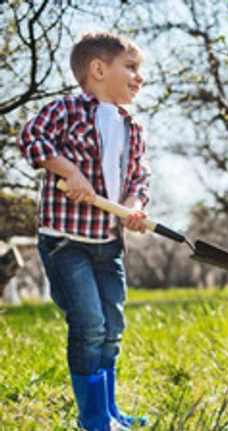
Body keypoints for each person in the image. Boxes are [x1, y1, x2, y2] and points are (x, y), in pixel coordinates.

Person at [17, 32, 151, 430]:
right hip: (66, 240)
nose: (138, 78)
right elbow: (30, 137)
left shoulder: (133, 127)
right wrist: (69, 171)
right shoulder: (67, 110)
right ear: (97, 69)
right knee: (89, 324)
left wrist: (135, 206)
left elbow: (140, 177)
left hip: (109, 243)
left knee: (112, 326)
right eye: (131, 67)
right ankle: (92, 418)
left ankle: (108, 410)